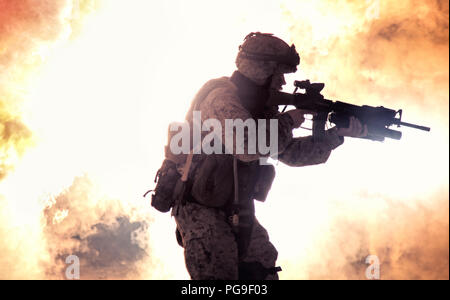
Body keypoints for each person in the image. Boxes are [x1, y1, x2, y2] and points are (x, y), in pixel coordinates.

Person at [170, 32, 367, 280]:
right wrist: (288, 120)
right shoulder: (221, 98)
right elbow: (248, 147)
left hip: (235, 206)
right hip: (201, 209)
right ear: (261, 70)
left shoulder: (260, 108)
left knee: (263, 266)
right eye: (279, 74)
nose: (283, 83)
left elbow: (292, 154)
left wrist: (337, 134)